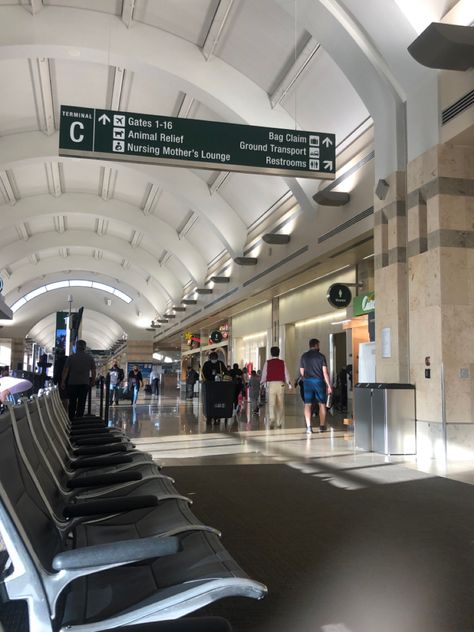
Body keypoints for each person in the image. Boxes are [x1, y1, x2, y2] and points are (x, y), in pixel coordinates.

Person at [299, 338, 332, 434]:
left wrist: (306, 379)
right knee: (322, 404)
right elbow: (325, 372)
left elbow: (302, 372)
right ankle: (322, 426)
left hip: (307, 382)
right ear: (317, 345)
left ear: (310, 345)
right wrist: (329, 385)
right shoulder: (321, 356)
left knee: (307, 404)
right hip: (319, 382)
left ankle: (309, 427)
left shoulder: (304, 356)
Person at [61, 340, 96, 421]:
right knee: (81, 402)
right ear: (85, 347)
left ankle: (71, 419)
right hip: (84, 383)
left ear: (76, 347)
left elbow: (65, 370)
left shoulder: (71, 357)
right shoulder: (89, 358)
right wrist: (93, 380)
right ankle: (79, 420)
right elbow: (93, 370)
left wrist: (63, 381)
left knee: (72, 402)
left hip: (72, 383)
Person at [260, 346, 291, 429]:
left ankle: (272, 418)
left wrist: (262, 383)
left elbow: (264, 374)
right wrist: (289, 383)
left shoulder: (267, 363)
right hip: (280, 384)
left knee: (271, 404)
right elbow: (286, 373)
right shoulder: (282, 362)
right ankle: (279, 422)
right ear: (279, 353)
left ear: (271, 353)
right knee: (280, 404)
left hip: (271, 384)